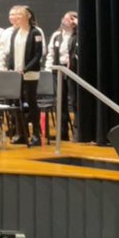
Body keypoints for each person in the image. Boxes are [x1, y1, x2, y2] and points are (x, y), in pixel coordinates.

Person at [4, 5, 45, 145]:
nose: (17, 18)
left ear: (27, 16)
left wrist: (26, 69)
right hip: (17, 74)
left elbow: (38, 55)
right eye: (16, 15)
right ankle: (21, 133)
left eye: (20, 15)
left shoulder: (35, 32)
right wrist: (10, 69)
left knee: (31, 103)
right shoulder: (15, 33)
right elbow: (11, 53)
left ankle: (36, 135)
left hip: (30, 74)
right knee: (18, 103)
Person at [47, 10, 79, 140]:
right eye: (66, 19)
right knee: (60, 101)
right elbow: (51, 54)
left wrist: (79, 24)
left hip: (73, 71)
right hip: (58, 71)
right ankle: (62, 132)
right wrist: (49, 69)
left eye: (72, 19)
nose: (68, 21)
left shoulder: (78, 35)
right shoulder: (57, 35)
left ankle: (78, 132)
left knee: (75, 101)